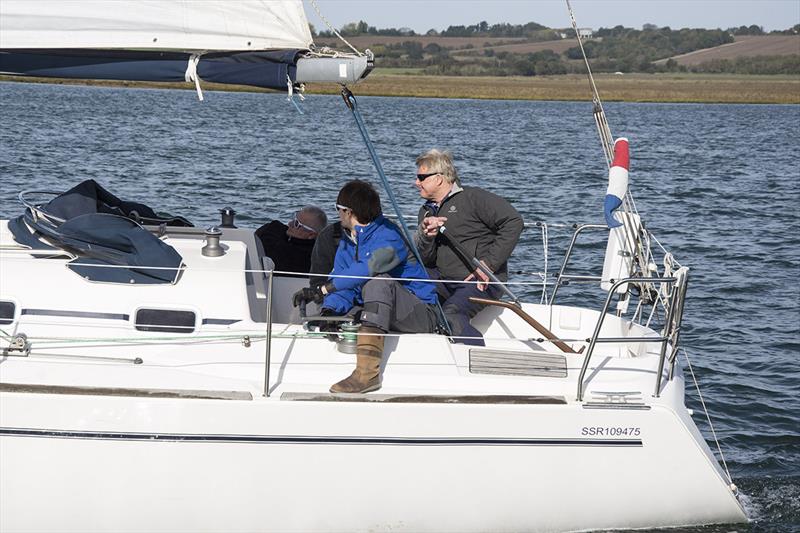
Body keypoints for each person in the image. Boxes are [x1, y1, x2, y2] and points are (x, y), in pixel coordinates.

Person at [292, 180, 438, 394]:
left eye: (338, 209)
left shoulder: (390, 236)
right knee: (339, 308)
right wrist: (329, 311)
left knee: (378, 281)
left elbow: (368, 269)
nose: (338, 214)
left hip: (420, 313)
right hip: (384, 309)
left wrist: (322, 290)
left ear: (348, 212)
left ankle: (367, 375)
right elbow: (343, 279)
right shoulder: (348, 241)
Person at [413, 149, 523, 346]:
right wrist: (427, 237)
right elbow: (426, 260)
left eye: (421, 177)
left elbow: (513, 222)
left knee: (451, 315)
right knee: (406, 293)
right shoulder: (425, 212)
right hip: (443, 280)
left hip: (480, 281)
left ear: (439, 178)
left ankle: (477, 361)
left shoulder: (473, 198)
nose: (416, 183)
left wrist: (488, 265)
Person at [255, 206, 327, 274]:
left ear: (311, 235)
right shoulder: (283, 235)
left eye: (296, 224)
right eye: (294, 218)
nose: (290, 224)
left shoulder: (304, 258)